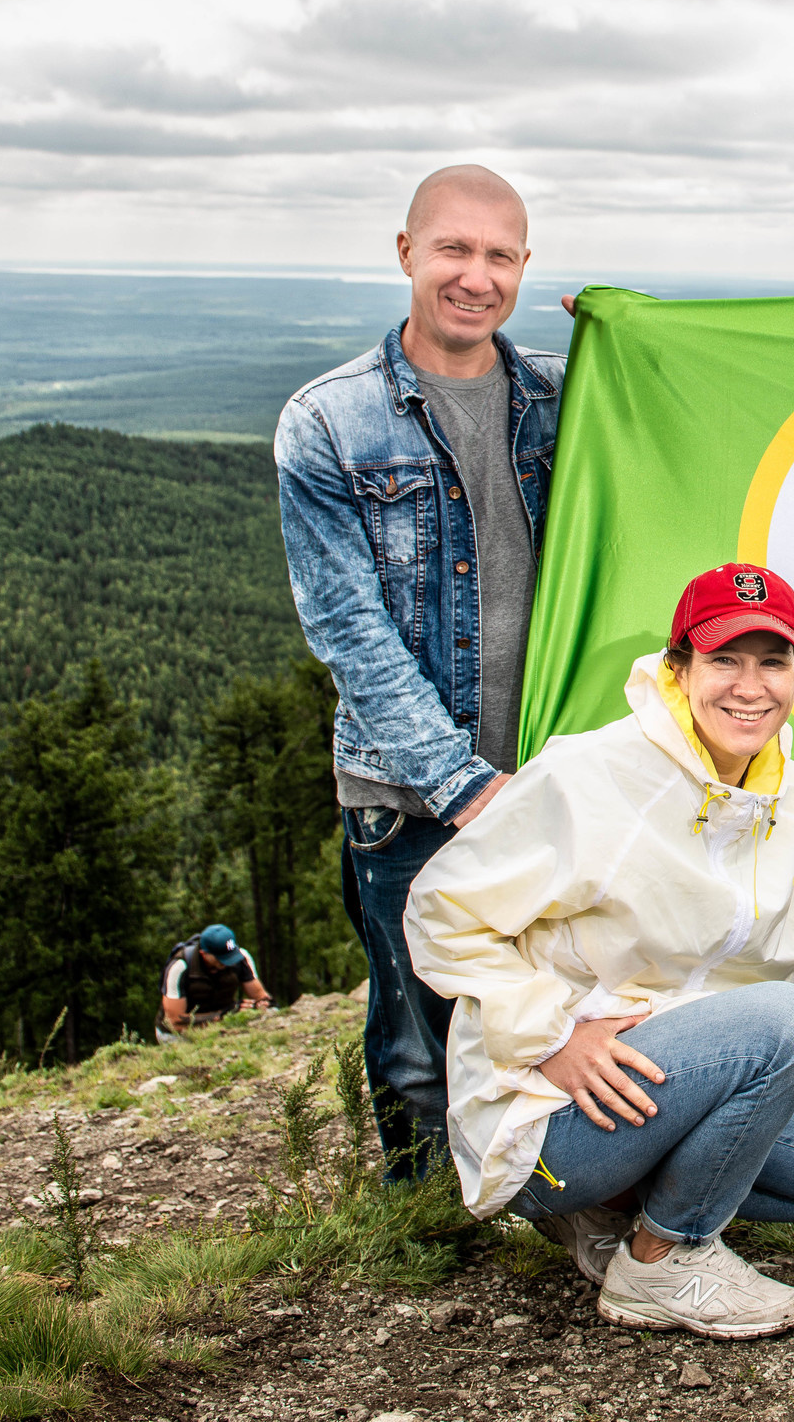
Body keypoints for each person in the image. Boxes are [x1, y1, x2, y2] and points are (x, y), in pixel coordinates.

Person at [404, 562, 794, 1340]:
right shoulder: (591, 775)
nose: (749, 686)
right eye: (725, 659)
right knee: (783, 1021)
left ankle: (615, 1213)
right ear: (679, 670)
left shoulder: (791, 797)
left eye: (772, 660)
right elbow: (441, 909)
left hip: (670, 1087)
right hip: (552, 1114)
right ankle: (662, 1258)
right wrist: (549, 1036)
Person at [275, 164, 566, 1180]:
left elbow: (678, 444)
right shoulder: (328, 422)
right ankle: (421, 1217)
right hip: (406, 796)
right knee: (415, 1037)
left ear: (524, 267)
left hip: (549, 780)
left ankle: (540, 1191)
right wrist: (460, 781)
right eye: (452, 248)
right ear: (406, 252)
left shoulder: (562, 401)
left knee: (554, 1003)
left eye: (497, 255)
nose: (473, 275)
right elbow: (347, 628)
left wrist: (633, 346)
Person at [157, 923, 273, 1040]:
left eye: (231, 955)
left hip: (222, 1025)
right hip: (178, 1033)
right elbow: (175, 1021)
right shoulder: (180, 966)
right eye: (222, 958)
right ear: (204, 954)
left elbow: (260, 997)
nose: (229, 962)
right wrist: (223, 1015)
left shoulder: (241, 957)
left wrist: (260, 1005)